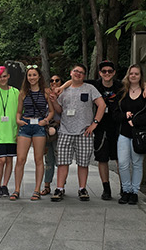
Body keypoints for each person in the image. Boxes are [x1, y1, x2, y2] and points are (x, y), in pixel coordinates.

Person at [49, 64, 107, 202]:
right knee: (62, 162)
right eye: (76, 71)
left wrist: (95, 123)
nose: (78, 74)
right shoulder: (63, 90)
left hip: (84, 132)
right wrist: (54, 101)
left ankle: (82, 188)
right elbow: (60, 110)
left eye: (81, 72)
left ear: (84, 75)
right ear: (71, 72)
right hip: (65, 130)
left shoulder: (90, 88)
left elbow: (102, 105)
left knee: (83, 162)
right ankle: (59, 188)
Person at [115, 65, 146, 205]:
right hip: (124, 133)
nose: (133, 76)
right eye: (131, 73)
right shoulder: (122, 93)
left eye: (136, 74)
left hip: (139, 134)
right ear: (128, 75)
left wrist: (136, 121)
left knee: (137, 164)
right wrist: (124, 116)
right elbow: (115, 114)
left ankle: (134, 192)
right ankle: (125, 190)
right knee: (123, 164)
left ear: (140, 76)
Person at [14, 67, 54, 201]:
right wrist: (18, 120)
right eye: (29, 75)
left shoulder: (46, 92)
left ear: (39, 77)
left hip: (39, 127)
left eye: (34, 75)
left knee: (38, 159)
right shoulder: (23, 93)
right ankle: (17, 189)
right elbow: (19, 111)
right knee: (20, 159)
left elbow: (52, 111)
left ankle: (37, 190)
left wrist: (46, 121)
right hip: (26, 125)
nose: (32, 77)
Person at [88, 61, 122, 201]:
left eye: (109, 71)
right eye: (104, 71)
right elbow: (75, 79)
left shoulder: (120, 85)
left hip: (118, 126)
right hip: (100, 127)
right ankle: (106, 188)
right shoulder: (95, 85)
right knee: (102, 159)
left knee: (121, 159)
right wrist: (60, 87)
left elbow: (138, 81)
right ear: (100, 73)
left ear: (114, 72)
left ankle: (124, 187)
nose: (107, 73)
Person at [0, 66, 20, 199]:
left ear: (8, 76)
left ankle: (5, 185)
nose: (2, 79)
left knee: (10, 159)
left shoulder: (16, 92)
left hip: (12, 131)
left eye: (4, 76)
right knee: (1, 160)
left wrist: (18, 131)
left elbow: (19, 112)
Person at [41, 75, 62, 197]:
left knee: (59, 158)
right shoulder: (45, 95)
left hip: (60, 129)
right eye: (51, 80)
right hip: (47, 129)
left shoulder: (65, 94)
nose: (54, 82)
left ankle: (60, 186)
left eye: (57, 80)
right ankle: (47, 185)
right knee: (48, 159)